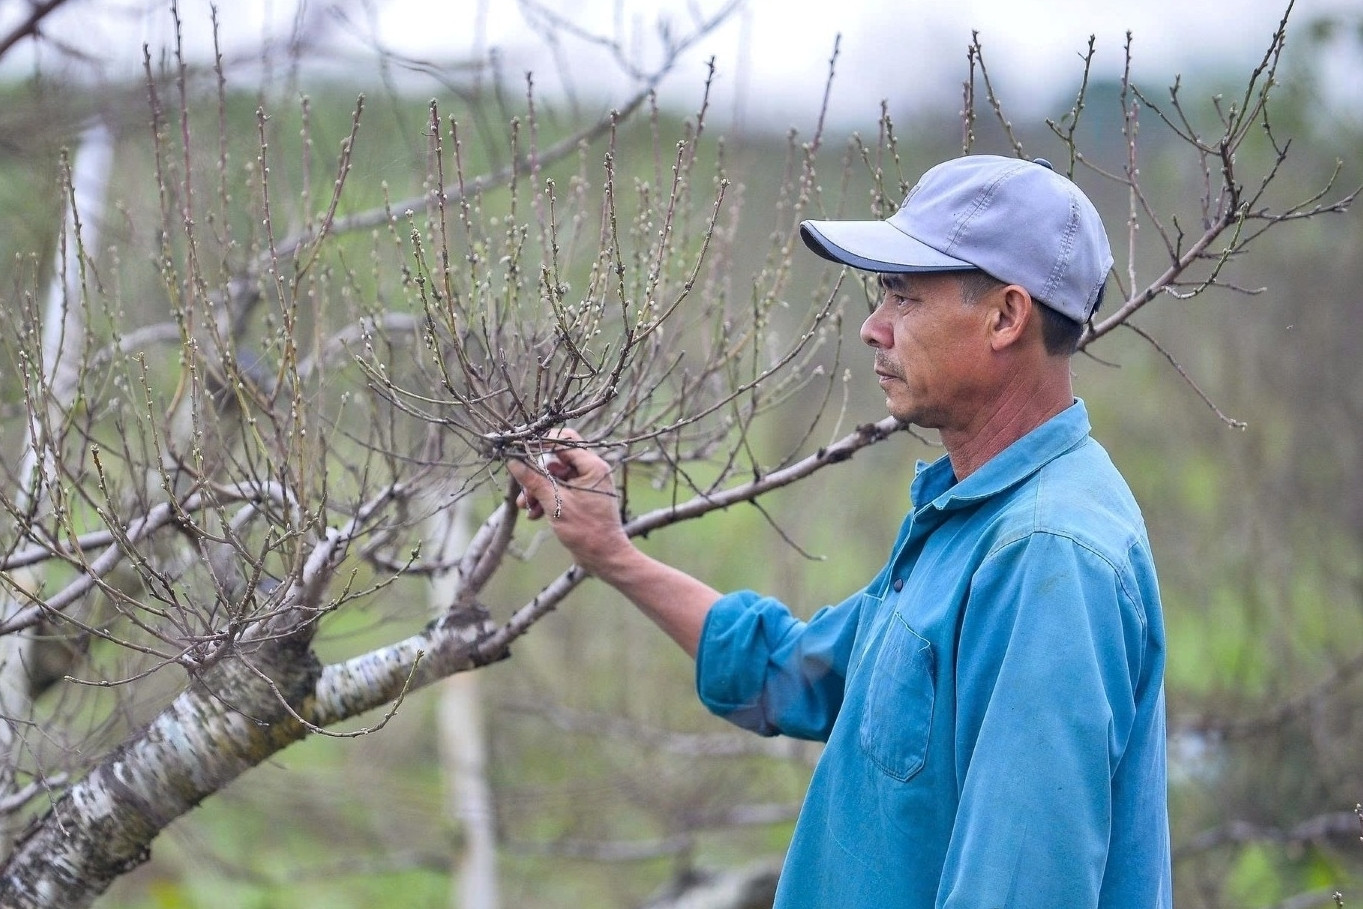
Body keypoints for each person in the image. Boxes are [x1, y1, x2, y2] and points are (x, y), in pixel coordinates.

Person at [508, 154, 1172, 909]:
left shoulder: (1047, 555)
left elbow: (1022, 888)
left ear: (1004, 317)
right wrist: (609, 551)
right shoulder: (972, 517)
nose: (872, 326)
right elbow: (794, 674)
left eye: (902, 296)